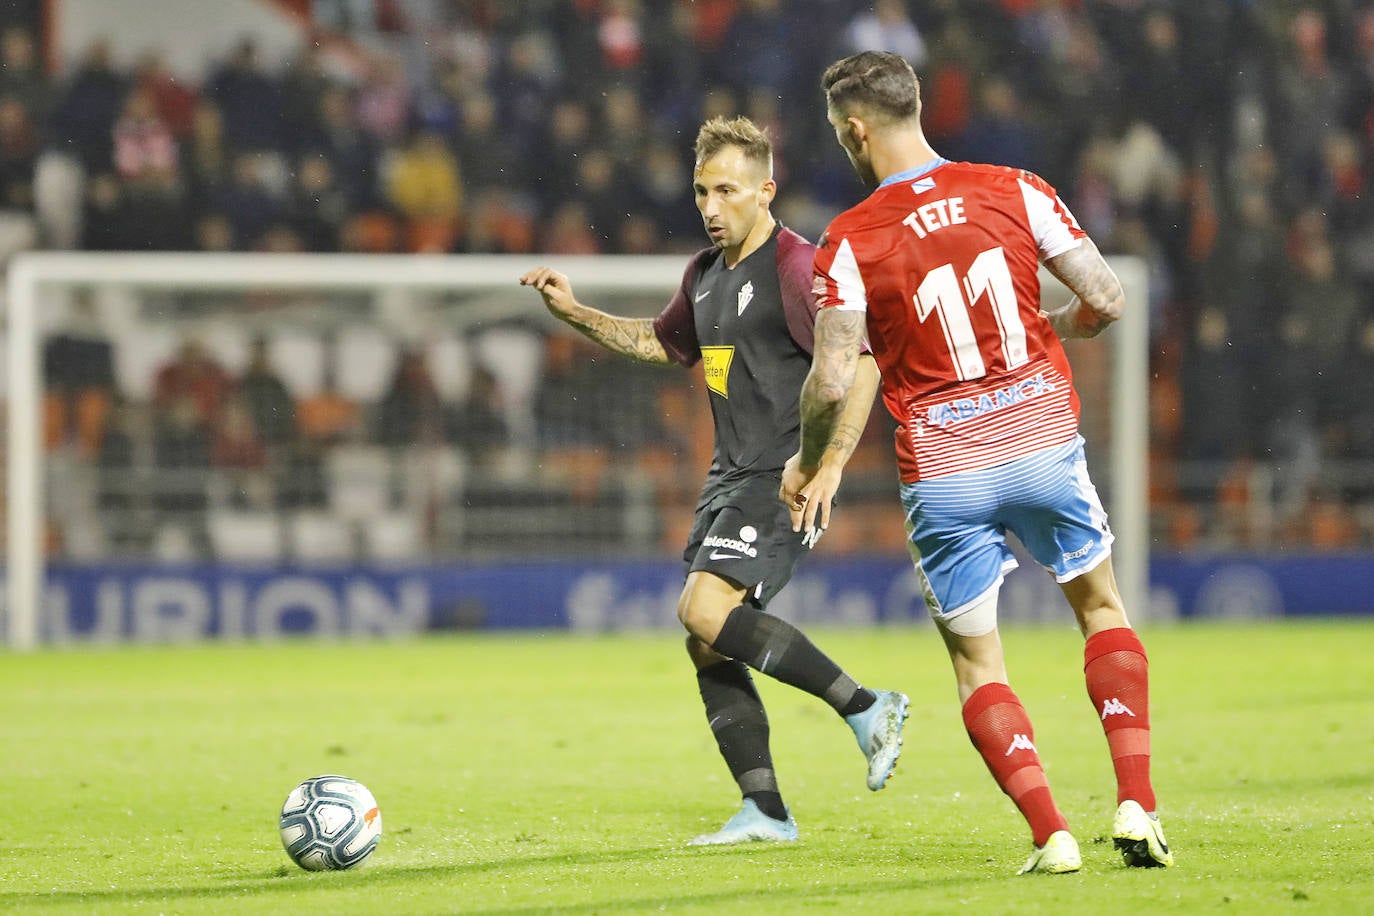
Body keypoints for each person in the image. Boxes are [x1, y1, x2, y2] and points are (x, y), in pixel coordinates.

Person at [782, 51, 1172, 875]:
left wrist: (810, 459)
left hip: (946, 463)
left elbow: (831, 381)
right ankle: (1136, 804)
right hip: (1038, 434)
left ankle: (1053, 835)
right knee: (1101, 609)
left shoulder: (849, 241)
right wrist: (1048, 330)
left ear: (855, 129)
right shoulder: (1016, 187)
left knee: (977, 661)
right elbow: (1106, 298)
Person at [520, 116, 908, 845]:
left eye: (726, 190)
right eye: (702, 189)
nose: (709, 205)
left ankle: (865, 705)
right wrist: (572, 313)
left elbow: (859, 362)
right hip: (729, 479)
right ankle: (765, 809)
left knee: (701, 611)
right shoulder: (703, 276)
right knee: (708, 640)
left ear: (766, 191)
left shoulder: (799, 269)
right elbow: (662, 345)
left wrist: (828, 463)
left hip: (785, 475)